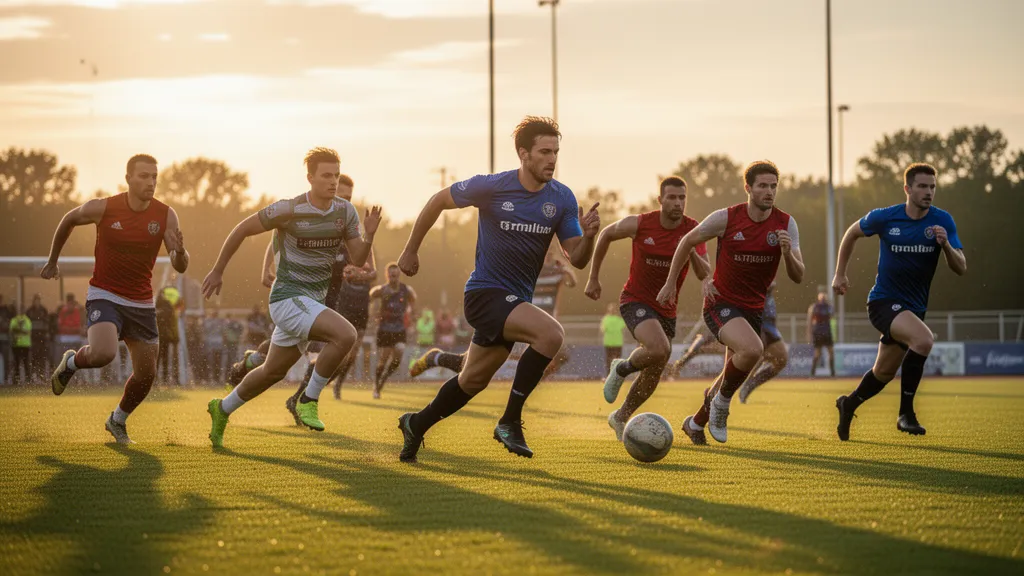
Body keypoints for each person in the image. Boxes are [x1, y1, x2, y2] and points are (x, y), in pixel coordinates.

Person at [395, 116, 600, 462]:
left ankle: (416, 423)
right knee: (551, 334)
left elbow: (576, 257)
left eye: (556, 152)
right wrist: (410, 249)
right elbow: (437, 201)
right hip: (484, 293)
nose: (552, 159)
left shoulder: (562, 198)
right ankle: (509, 421)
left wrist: (590, 237)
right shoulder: (492, 186)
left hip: (513, 301)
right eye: (544, 151)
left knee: (471, 381)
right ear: (523, 154)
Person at [202, 147, 380, 448]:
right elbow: (242, 229)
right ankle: (307, 400)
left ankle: (222, 408)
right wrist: (218, 269)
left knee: (272, 371)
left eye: (336, 175)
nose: (333, 181)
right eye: (326, 175)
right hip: (286, 298)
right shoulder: (289, 209)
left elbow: (358, 257)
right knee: (346, 335)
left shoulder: (345, 212)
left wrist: (370, 235)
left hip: (311, 303)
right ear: (309, 177)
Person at [44, 153, 189, 443]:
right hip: (105, 294)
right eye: (144, 176)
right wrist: (52, 260)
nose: (151, 182)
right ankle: (72, 363)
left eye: (154, 177)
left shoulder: (165, 215)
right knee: (103, 354)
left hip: (141, 302)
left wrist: (180, 253)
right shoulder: (105, 208)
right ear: (128, 179)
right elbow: (69, 219)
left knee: (147, 375)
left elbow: (180, 265)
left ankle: (117, 420)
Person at [658, 160, 804, 445]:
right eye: (762, 185)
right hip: (720, 303)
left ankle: (695, 423)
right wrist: (670, 283)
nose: (769, 192)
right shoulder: (726, 218)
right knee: (752, 350)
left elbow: (798, 276)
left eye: (773, 186)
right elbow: (686, 242)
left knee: (731, 372)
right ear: (748, 188)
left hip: (754, 309)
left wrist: (787, 252)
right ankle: (722, 406)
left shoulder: (786, 224)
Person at [833, 162, 966, 440]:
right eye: (922, 186)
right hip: (883, 302)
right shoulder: (886, 217)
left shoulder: (943, 221)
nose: (928, 192)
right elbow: (851, 233)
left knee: (882, 373)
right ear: (907, 188)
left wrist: (946, 247)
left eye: (932, 186)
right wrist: (840, 274)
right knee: (924, 340)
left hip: (913, 309)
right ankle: (906, 414)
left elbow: (961, 267)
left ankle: (849, 403)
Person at [584, 176, 710, 440]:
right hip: (635, 300)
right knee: (660, 348)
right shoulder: (641, 223)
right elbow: (606, 234)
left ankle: (620, 417)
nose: (678, 203)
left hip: (667, 309)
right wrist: (593, 277)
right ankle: (622, 368)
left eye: (682, 198)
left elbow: (704, 272)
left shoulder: (693, 229)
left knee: (655, 371)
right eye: (672, 197)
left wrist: (688, 249)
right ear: (660, 200)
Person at [284, 173, 378, 410]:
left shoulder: (351, 226)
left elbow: (372, 271)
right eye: (341, 196)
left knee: (335, 358)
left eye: (349, 197)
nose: (345, 201)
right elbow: (278, 237)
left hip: (334, 303)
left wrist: (359, 274)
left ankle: (299, 399)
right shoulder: (313, 217)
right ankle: (255, 363)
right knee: (284, 356)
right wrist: (269, 268)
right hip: (306, 297)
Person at [408, 248, 577, 378]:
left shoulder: (552, 273)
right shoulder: (523, 270)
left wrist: (564, 268)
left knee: (558, 355)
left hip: (528, 324)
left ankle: (524, 394)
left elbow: (572, 283)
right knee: (469, 367)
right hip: (504, 319)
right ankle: (435, 358)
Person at [369, 264, 417, 398]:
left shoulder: (406, 290)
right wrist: (373, 314)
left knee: (399, 354)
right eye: (391, 275)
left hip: (400, 329)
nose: (393, 277)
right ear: (387, 275)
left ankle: (383, 380)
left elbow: (413, 301)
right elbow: (371, 296)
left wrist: (412, 316)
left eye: (395, 275)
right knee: (383, 358)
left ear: (399, 275)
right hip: (384, 329)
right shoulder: (382, 290)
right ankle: (376, 386)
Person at [737, 280, 789, 403]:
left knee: (781, 360)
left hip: (770, 325)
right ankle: (730, 389)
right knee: (756, 358)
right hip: (759, 323)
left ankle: (749, 385)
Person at [807, 289, 836, 377]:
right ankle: (813, 373)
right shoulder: (816, 307)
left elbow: (831, 317)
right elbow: (810, 321)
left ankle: (832, 373)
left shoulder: (827, 307)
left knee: (830, 352)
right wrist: (809, 333)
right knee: (818, 353)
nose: (823, 297)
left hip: (825, 332)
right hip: (820, 332)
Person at [56, 294, 85, 369]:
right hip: (65, 338)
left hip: (75, 338)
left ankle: (75, 374)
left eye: (72, 303)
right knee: (65, 358)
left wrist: (69, 329)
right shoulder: (63, 311)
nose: (71, 305)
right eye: (69, 303)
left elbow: (78, 327)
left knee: (76, 358)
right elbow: (60, 327)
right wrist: (72, 329)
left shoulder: (77, 311)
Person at [599, 303, 627, 375]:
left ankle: (609, 374)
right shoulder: (620, 320)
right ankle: (617, 374)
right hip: (618, 342)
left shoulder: (605, 319)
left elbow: (602, 330)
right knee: (618, 359)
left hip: (608, 342)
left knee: (609, 360)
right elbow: (624, 328)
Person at [9, 305, 32, 386]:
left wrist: (18, 330)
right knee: (17, 364)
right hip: (16, 345)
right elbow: (12, 331)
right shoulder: (14, 320)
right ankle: (16, 381)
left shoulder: (27, 320)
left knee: (26, 364)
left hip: (25, 345)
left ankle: (28, 381)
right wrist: (20, 330)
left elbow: (27, 331)